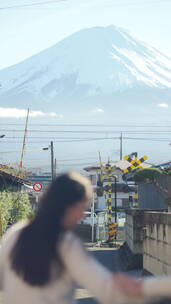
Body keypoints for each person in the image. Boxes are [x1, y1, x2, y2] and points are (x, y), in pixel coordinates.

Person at [0, 172, 151, 304]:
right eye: (83, 208)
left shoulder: (15, 232)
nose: (81, 216)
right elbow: (106, 289)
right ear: (71, 206)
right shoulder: (66, 244)